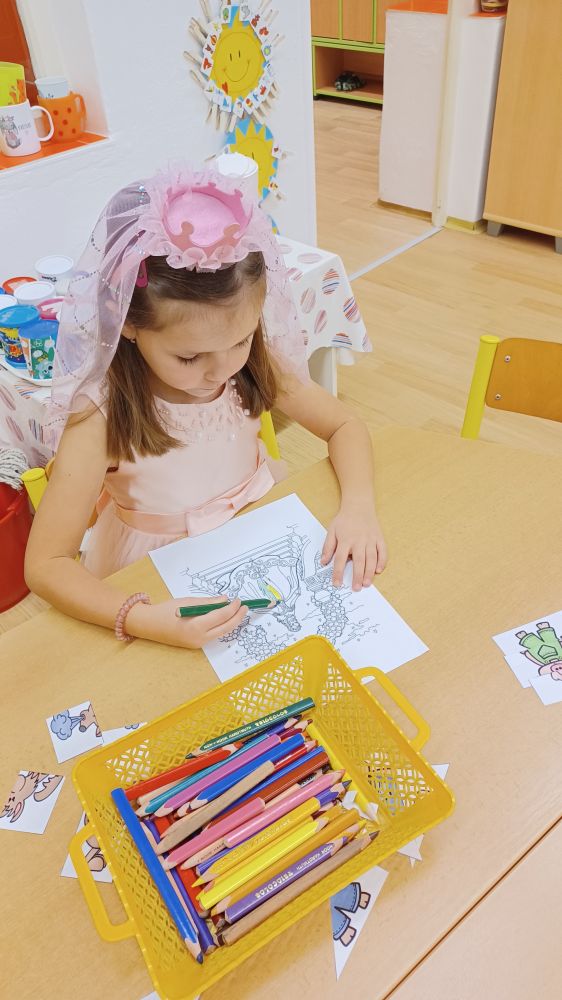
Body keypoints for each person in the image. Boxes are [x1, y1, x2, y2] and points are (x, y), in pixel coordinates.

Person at [25, 165, 387, 649]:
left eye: (241, 340)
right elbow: (45, 565)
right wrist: (140, 617)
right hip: (152, 575)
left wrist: (358, 508)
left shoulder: (253, 363)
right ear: (126, 322)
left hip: (260, 532)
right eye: (189, 357)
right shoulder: (101, 417)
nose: (221, 371)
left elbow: (344, 425)